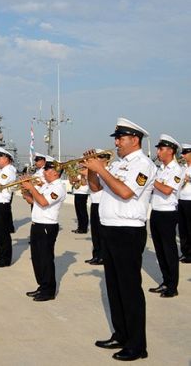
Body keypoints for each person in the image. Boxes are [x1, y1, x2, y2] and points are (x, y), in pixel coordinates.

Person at [84, 117, 155, 362]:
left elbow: (125, 192)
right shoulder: (116, 165)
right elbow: (96, 188)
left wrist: (101, 168)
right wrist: (91, 171)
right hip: (110, 229)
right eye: (116, 138)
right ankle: (121, 334)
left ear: (134, 140)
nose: (116, 142)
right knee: (114, 289)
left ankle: (137, 345)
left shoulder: (143, 165)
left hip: (128, 231)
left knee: (130, 290)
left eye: (120, 138)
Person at [21, 155, 66, 302]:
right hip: (37, 224)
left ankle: (48, 291)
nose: (44, 172)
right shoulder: (47, 185)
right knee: (37, 259)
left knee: (46, 259)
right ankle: (42, 286)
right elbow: (33, 201)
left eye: (47, 169)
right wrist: (25, 191)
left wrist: (32, 187)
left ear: (56, 172)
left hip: (47, 226)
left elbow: (43, 202)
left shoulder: (58, 187)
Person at [148, 134, 183, 298]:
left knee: (169, 251)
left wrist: (151, 180)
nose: (158, 151)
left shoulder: (177, 170)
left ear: (171, 151)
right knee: (160, 250)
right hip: (155, 213)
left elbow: (167, 190)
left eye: (161, 148)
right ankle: (165, 281)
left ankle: (172, 286)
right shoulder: (160, 169)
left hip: (167, 215)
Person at [85, 150, 107, 266]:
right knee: (95, 232)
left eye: (98, 157)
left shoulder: (106, 171)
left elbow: (98, 187)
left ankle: (102, 256)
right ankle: (96, 255)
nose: (96, 160)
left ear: (104, 159)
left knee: (101, 233)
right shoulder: (95, 171)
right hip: (94, 203)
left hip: (103, 204)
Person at [178, 143, 191, 264]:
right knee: (182, 229)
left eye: (185, 153)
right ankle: (185, 252)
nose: (183, 155)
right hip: (181, 199)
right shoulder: (182, 168)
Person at [71, 166, 90, 234]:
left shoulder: (87, 172)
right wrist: (71, 175)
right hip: (77, 192)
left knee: (82, 211)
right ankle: (80, 227)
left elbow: (84, 183)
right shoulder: (78, 173)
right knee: (78, 211)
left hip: (83, 193)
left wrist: (81, 175)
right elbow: (71, 181)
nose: (79, 166)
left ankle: (84, 228)